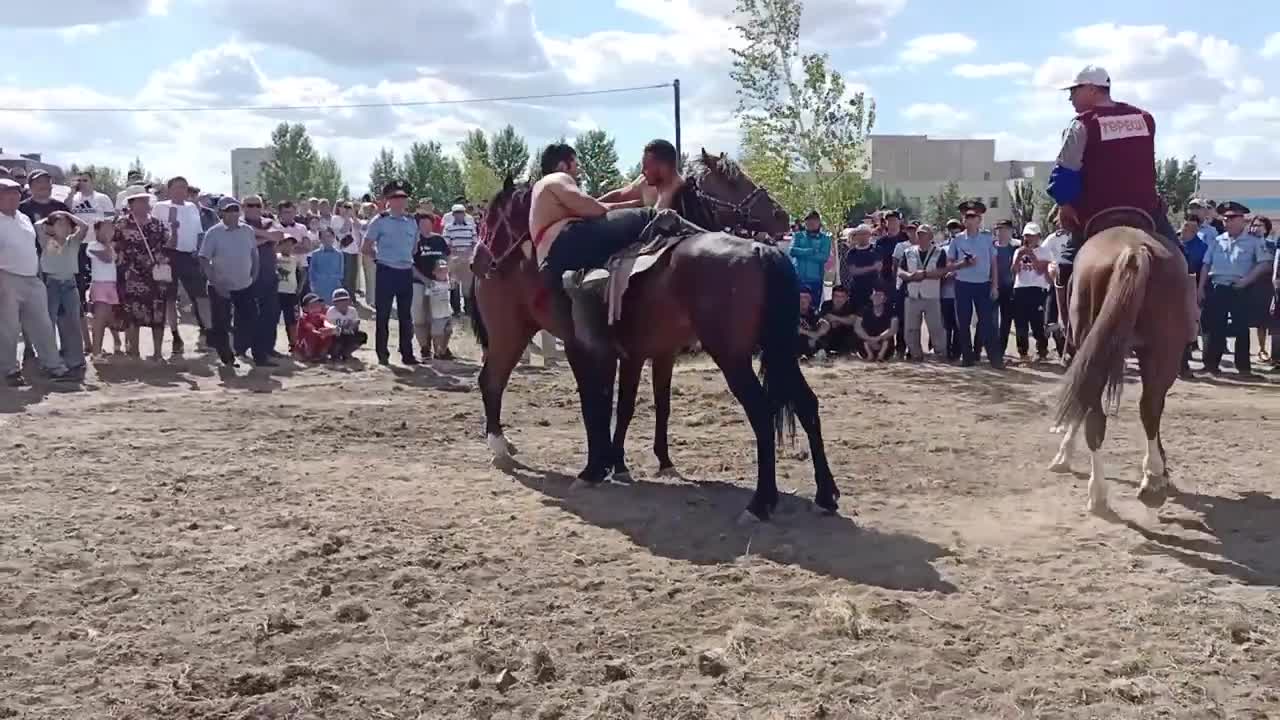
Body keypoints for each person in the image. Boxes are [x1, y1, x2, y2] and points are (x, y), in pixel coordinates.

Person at [1047, 65, 1181, 343]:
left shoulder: (1082, 124)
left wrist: (1064, 203)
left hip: (1096, 212)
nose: (1070, 98)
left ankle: (1070, 332)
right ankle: (1189, 323)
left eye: (1074, 90)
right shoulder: (1145, 119)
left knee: (1065, 265)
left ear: (1093, 90)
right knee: (1179, 259)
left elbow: (1065, 174)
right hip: (1146, 211)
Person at [529, 142, 649, 349]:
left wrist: (629, 203)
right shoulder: (558, 179)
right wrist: (641, 206)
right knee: (649, 216)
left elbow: (597, 206)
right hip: (565, 243)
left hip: (553, 253)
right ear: (562, 166)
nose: (579, 169)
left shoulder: (543, 187)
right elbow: (594, 209)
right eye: (575, 164)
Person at [0, 178, 75, 385]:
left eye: (16, 193)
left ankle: (53, 366)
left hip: (32, 277)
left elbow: (36, 247)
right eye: (7, 193)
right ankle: (9, 370)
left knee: (43, 325)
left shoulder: (23, 218)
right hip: (6, 277)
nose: (14, 196)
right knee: (9, 328)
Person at [1198, 201, 1272, 378]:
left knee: (1241, 329)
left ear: (1242, 220)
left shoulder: (1254, 241)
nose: (1227, 221)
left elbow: (1265, 264)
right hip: (1217, 287)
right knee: (1214, 328)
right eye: (1225, 218)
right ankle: (1210, 366)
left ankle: (1243, 368)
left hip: (1239, 288)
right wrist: (1201, 288)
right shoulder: (1217, 240)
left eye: (1231, 218)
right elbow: (1206, 264)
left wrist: (1247, 280)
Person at [199, 197, 267, 368]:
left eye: (236, 210)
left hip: (245, 284)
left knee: (252, 320)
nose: (234, 213)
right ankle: (227, 358)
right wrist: (214, 282)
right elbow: (204, 259)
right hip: (220, 286)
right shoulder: (213, 233)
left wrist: (255, 273)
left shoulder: (247, 230)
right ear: (222, 213)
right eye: (229, 210)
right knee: (221, 323)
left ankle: (257, 356)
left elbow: (254, 253)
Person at [363, 180, 421, 365]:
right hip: (386, 270)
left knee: (406, 315)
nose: (400, 201)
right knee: (383, 314)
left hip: (405, 271)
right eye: (396, 197)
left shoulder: (412, 221)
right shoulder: (380, 220)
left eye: (403, 197)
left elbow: (414, 247)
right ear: (389, 200)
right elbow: (366, 246)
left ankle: (407, 353)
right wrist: (379, 259)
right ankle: (382, 353)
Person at [114, 185, 174, 360]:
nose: (145, 203)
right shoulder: (121, 223)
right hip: (131, 275)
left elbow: (168, 244)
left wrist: (175, 231)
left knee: (158, 314)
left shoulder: (157, 224)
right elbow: (114, 246)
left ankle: (157, 353)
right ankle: (134, 352)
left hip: (155, 275)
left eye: (146, 200)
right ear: (131, 204)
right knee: (133, 314)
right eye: (141, 200)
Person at [151, 176, 210, 353]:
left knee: (200, 295)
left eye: (184, 188)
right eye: (177, 187)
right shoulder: (160, 207)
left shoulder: (192, 208)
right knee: (169, 298)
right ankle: (176, 335)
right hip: (169, 255)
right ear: (169, 190)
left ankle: (206, 330)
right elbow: (154, 232)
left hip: (189, 255)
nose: (181, 191)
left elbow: (198, 233)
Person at [945, 200, 1002, 368]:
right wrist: (963, 264)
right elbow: (949, 265)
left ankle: (994, 358)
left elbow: (994, 263)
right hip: (963, 284)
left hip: (983, 284)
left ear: (979, 219)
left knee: (987, 323)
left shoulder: (987, 238)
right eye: (967, 216)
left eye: (973, 216)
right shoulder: (957, 240)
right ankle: (967, 357)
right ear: (963, 220)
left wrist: (994, 285)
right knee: (963, 322)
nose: (969, 219)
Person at [36, 210, 90, 373]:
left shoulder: (73, 241)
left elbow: (85, 226)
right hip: (50, 284)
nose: (64, 228)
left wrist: (66, 214)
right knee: (49, 322)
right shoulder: (47, 240)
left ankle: (75, 359)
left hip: (69, 285)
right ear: (51, 227)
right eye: (59, 224)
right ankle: (50, 359)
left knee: (72, 322)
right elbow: (38, 225)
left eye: (67, 225)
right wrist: (53, 216)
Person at [239, 195, 284, 360]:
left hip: (269, 274)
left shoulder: (269, 221)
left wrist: (257, 235)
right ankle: (243, 348)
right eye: (249, 205)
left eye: (257, 205)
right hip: (247, 275)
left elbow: (279, 236)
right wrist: (266, 237)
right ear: (243, 207)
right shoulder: (239, 224)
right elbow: (246, 243)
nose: (254, 208)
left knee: (271, 313)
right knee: (248, 314)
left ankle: (268, 348)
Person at [898, 223, 947, 361]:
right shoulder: (908, 251)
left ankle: (940, 353)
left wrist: (925, 274)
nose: (921, 236)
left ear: (931, 236)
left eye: (924, 234)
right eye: (919, 234)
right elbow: (900, 270)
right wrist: (909, 277)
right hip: (912, 294)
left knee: (936, 327)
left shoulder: (939, 252)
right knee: (911, 329)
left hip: (931, 295)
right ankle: (915, 354)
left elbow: (943, 271)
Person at [598, 139, 687, 211]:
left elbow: (656, 223)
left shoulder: (682, 194)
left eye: (646, 167)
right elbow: (619, 195)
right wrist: (592, 204)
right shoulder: (645, 182)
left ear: (663, 168)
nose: (642, 172)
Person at [1011, 222, 1053, 362]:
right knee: (1020, 323)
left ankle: (1042, 351)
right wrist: (1019, 256)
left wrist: (1031, 255)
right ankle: (1023, 352)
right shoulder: (1018, 251)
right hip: (1020, 288)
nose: (1029, 238)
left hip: (1037, 289)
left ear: (1038, 236)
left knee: (1037, 322)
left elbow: (1042, 270)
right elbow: (1014, 271)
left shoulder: (1045, 251)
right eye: (1027, 235)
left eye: (1032, 235)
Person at [86, 219, 123, 357]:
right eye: (105, 229)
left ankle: (117, 341)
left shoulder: (111, 246)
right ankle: (96, 352)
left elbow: (116, 261)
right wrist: (108, 242)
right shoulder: (93, 245)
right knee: (100, 319)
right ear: (96, 231)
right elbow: (107, 258)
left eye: (111, 229)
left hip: (112, 285)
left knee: (111, 317)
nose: (109, 232)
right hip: (100, 285)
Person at [788, 210, 832, 302]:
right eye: (808, 221)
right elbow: (792, 251)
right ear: (805, 223)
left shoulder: (825, 239)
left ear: (819, 222)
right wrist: (810, 251)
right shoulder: (798, 236)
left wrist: (801, 253)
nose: (811, 223)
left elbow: (824, 257)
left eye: (814, 221)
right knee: (796, 306)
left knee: (813, 307)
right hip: (798, 278)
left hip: (815, 279)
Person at [442, 203, 477, 316]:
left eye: (461, 213)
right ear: (453, 214)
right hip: (454, 258)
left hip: (467, 258)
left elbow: (475, 241)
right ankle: (456, 310)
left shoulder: (470, 226)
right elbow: (446, 244)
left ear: (464, 214)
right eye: (456, 213)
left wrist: (469, 253)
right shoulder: (448, 227)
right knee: (454, 285)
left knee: (468, 285)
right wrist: (454, 253)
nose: (459, 215)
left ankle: (469, 309)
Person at [992, 219, 1018, 356]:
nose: (1002, 233)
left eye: (1006, 230)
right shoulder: (990, 247)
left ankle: (1001, 350)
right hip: (991, 287)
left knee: (1006, 320)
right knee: (990, 320)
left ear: (1011, 231)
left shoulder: (1015, 249)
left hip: (1009, 289)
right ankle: (986, 348)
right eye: (1000, 230)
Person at [842, 224, 880, 311]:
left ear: (869, 235)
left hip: (873, 288)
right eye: (860, 234)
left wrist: (862, 269)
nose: (862, 236)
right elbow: (853, 271)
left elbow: (879, 267)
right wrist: (872, 267)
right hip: (856, 289)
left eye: (865, 234)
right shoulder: (852, 253)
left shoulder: (876, 250)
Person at [855, 285, 897, 361]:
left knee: (887, 338)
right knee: (862, 336)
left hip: (884, 344)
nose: (876, 297)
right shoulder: (864, 309)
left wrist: (878, 338)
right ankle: (869, 356)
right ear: (871, 297)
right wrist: (869, 339)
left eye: (879, 295)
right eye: (875, 295)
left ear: (885, 298)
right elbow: (857, 327)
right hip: (867, 342)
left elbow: (893, 329)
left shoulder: (891, 311)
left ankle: (880, 357)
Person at [308, 227, 345, 314]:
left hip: (334, 286)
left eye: (329, 236)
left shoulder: (339, 254)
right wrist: (314, 284)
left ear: (333, 237)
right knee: (320, 311)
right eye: (324, 237)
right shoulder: (315, 254)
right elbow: (312, 272)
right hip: (319, 287)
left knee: (333, 311)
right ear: (320, 239)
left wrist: (335, 279)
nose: (327, 239)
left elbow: (341, 273)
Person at [816, 285, 860, 357]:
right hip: (830, 334)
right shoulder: (826, 304)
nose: (839, 299)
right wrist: (843, 320)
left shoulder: (851, 306)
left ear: (846, 298)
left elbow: (852, 321)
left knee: (853, 333)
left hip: (845, 335)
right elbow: (823, 319)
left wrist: (835, 318)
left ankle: (849, 353)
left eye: (842, 296)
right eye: (836, 296)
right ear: (832, 296)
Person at [424, 257, 455, 360]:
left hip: (447, 312)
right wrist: (428, 313)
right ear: (434, 272)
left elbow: (454, 283)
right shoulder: (431, 285)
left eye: (445, 270)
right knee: (437, 335)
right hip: (436, 315)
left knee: (448, 332)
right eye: (440, 270)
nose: (443, 273)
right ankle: (437, 352)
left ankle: (443, 350)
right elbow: (427, 300)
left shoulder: (448, 283)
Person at [325, 288, 367, 360]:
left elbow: (355, 324)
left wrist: (353, 326)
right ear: (334, 302)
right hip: (336, 336)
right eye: (339, 301)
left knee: (361, 336)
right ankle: (334, 354)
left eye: (345, 300)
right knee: (337, 340)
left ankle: (346, 353)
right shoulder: (331, 311)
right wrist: (339, 329)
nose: (343, 303)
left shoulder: (352, 311)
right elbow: (328, 327)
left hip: (348, 334)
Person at [294, 293, 337, 362]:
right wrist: (319, 332)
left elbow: (326, 322)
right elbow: (310, 327)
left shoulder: (320, 316)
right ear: (305, 308)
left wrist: (332, 328)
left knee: (328, 334)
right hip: (303, 346)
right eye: (312, 306)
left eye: (318, 305)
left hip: (317, 342)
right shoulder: (303, 318)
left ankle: (320, 354)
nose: (316, 307)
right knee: (312, 334)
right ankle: (308, 355)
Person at [277, 236, 300, 352]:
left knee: (291, 320)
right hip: (277, 292)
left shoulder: (295, 259)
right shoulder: (275, 257)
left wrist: (299, 288)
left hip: (291, 292)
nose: (289, 247)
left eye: (291, 245)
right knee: (273, 319)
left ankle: (293, 344)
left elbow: (302, 272)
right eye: (286, 244)